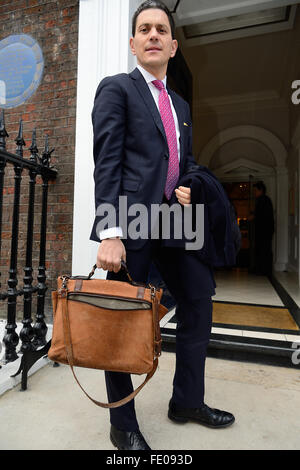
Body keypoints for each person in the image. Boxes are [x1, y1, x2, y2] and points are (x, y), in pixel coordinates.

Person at [89, 0, 235, 450]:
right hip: (131, 222)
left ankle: (186, 401)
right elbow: (107, 162)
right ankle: (123, 424)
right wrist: (110, 231)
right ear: (134, 44)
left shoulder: (182, 105)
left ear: (172, 46)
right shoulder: (116, 89)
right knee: (122, 320)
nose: (153, 34)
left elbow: (183, 161)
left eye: (161, 30)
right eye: (144, 28)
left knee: (198, 300)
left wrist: (190, 184)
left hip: (173, 221)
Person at [250, 181, 274, 276]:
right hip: (265, 230)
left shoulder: (263, 200)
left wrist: (253, 216)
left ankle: (262, 270)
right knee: (263, 249)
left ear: (261, 190)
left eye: (255, 190)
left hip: (264, 230)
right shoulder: (264, 200)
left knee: (263, 249)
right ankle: (262, 269)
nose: (254, 193)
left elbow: (261, 215)